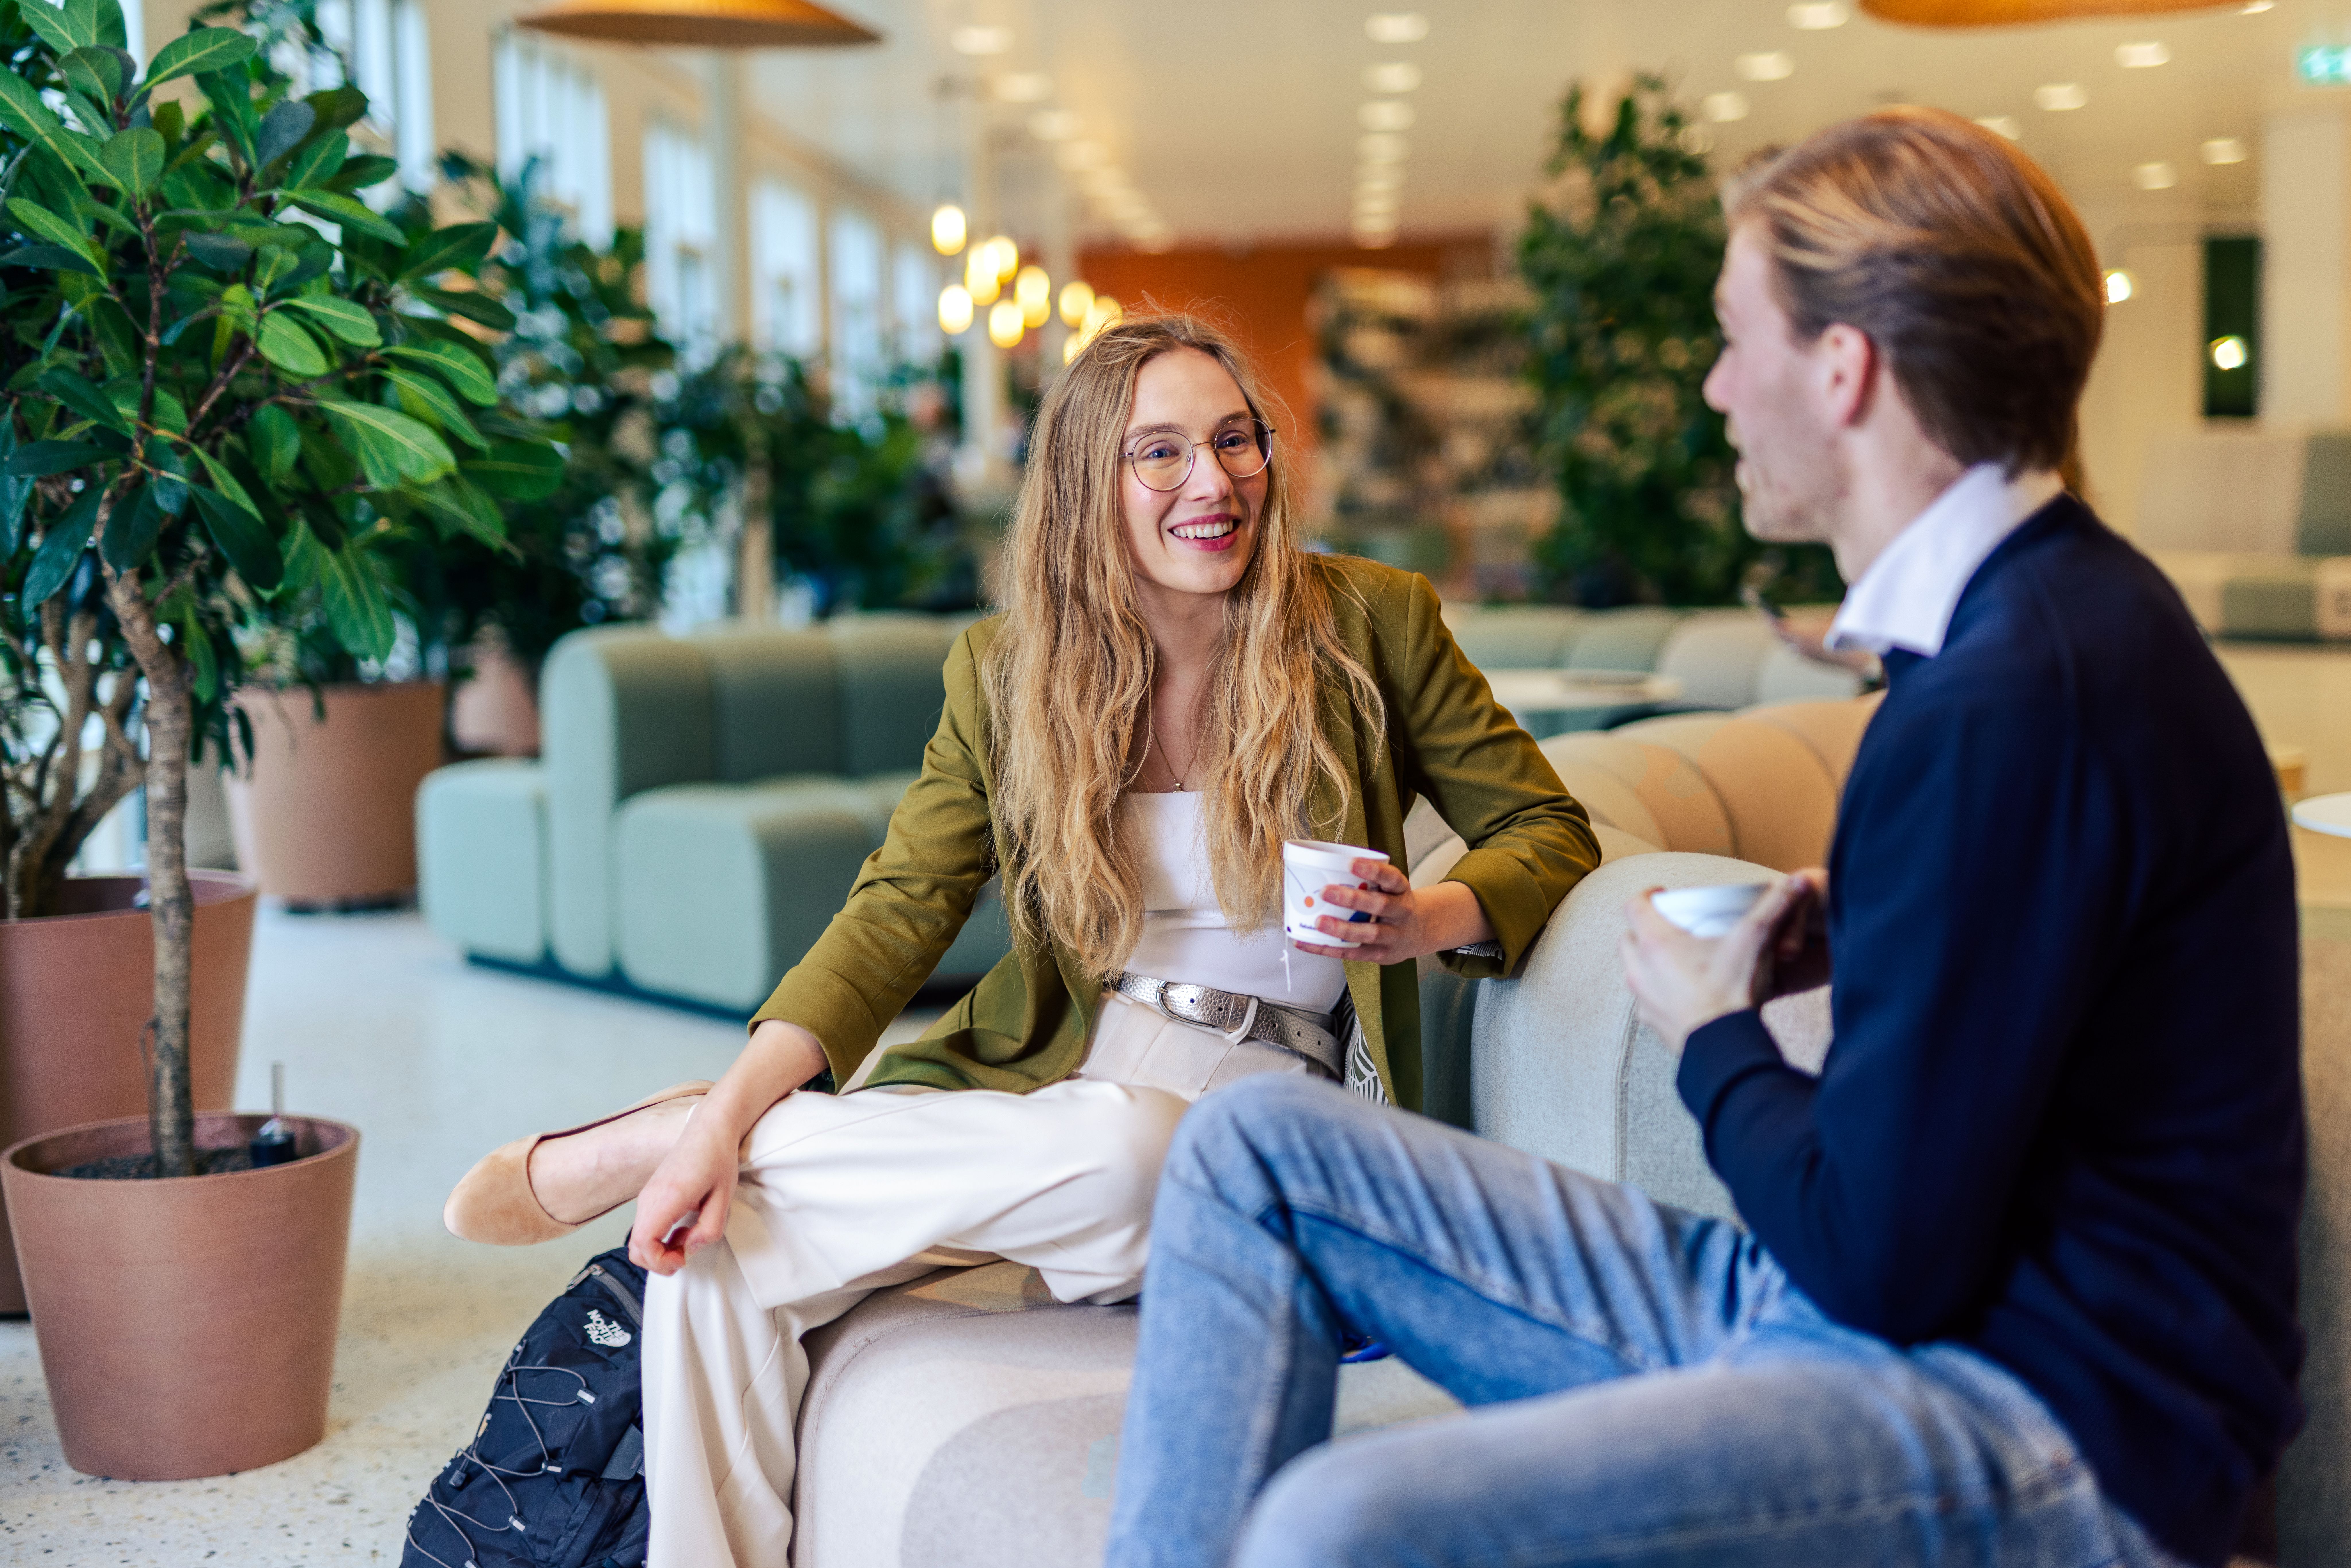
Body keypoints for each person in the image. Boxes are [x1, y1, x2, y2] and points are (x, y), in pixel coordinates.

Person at [1103, 108, 2303, 1568]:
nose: (1717, 386)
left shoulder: (2018, 691)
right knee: (1253, 1144)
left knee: (1341, 1524)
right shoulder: (2025, 630)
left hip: (2045, 1425)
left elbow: (1878, 1259)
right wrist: (1873, 923)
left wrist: (1712, 1024)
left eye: (1736, 338)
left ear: (1842, 370)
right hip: (1877, 1326)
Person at [439, 312, 1599, 1568]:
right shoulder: (1007, 671)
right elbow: (898, 908)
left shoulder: (1370, 621)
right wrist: (731, 1120)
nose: (1212, 483)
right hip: (1056, 1083)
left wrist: (1423, 918)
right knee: (722, 1252)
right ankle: (720, 1141)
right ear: (1085, 483)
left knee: (1123, 1149)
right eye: (1159, 453)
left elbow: (1545, 827)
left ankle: (731, 1132)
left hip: (1267, 1120)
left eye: (1233, 441)